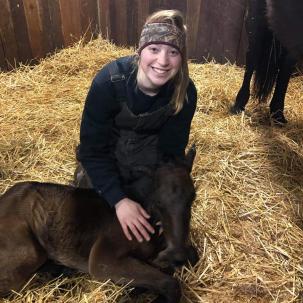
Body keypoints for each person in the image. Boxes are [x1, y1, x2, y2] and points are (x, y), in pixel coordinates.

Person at [75, 9, 197, 243]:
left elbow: (170, 154)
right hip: (106, 161)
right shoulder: (108, 83)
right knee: (91, 215)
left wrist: (167, 206)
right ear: (140, 51)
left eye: (173, 52)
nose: (163, 61)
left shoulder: (185, 93)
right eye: (154, 49)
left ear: (181, 58)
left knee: (155, 232)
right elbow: (92, 151)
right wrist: (119, 200)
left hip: (148, 166)